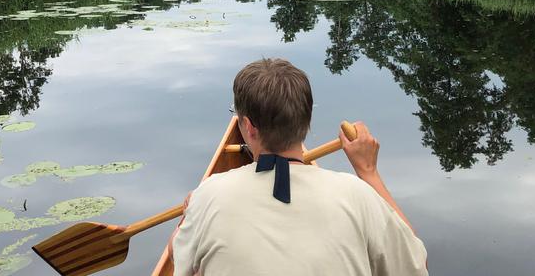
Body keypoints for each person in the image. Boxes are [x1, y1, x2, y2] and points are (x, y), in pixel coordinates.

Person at [170, 58, 428, 275]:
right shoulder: (357, 195)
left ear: (248, 127)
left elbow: (178, 258)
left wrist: (188, 216)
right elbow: (416, 265)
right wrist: (368, 171)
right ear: (306, 119)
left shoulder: (210, 194)